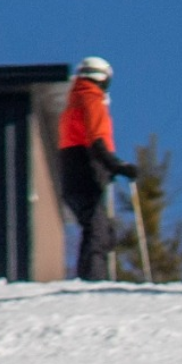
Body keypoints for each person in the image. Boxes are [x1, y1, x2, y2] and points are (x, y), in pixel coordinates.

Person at [57, 56, 139, 281]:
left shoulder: (75, 100)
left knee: (100, 229)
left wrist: (108, 167)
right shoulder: (91, 99)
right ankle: (93, 282)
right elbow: (96, 139)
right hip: (85, 171)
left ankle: (91, 278)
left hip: (73, 171)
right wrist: (115, 165)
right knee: (98, 231)